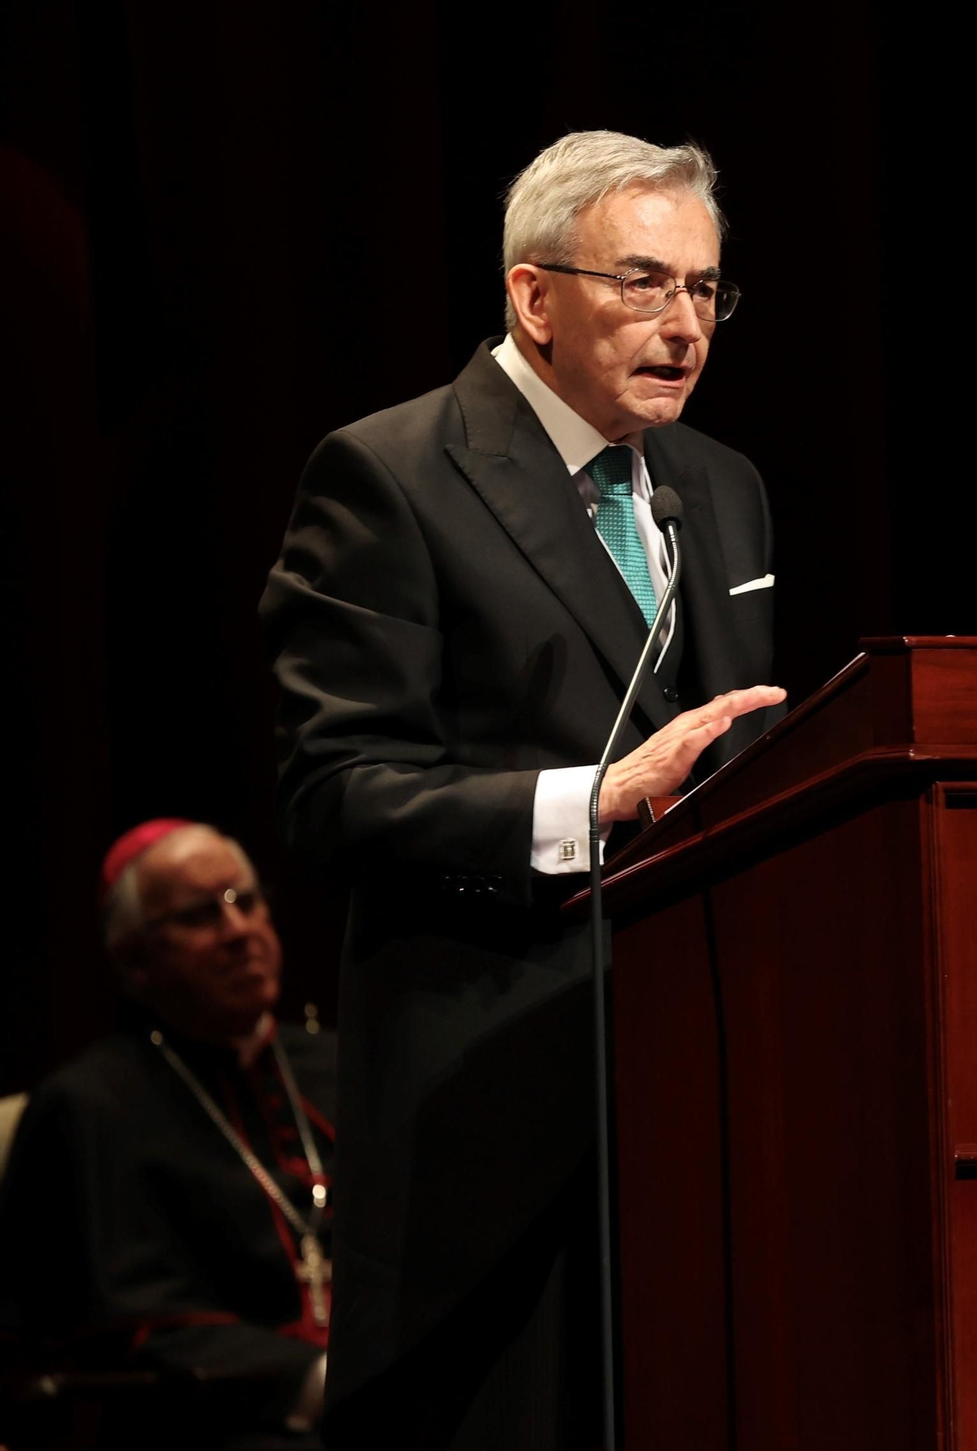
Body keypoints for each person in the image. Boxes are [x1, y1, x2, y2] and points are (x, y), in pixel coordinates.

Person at [259, 131, 785, 1448]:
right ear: (535, 295)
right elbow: (336, 789)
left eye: (706, 290)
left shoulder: (723, 489)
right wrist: (586, 803)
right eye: (643, 283)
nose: (684, 326)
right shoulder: (391, 476)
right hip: (488, 1117)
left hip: (705, 1106)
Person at [0, 819, 335, 1450]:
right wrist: (317, 1379)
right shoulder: (90, 1107)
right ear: (134, 958)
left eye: (245, 901)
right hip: (215, 1423)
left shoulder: (339, 1069)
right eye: (200, 915)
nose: (238, 932)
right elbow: (124, 1321)